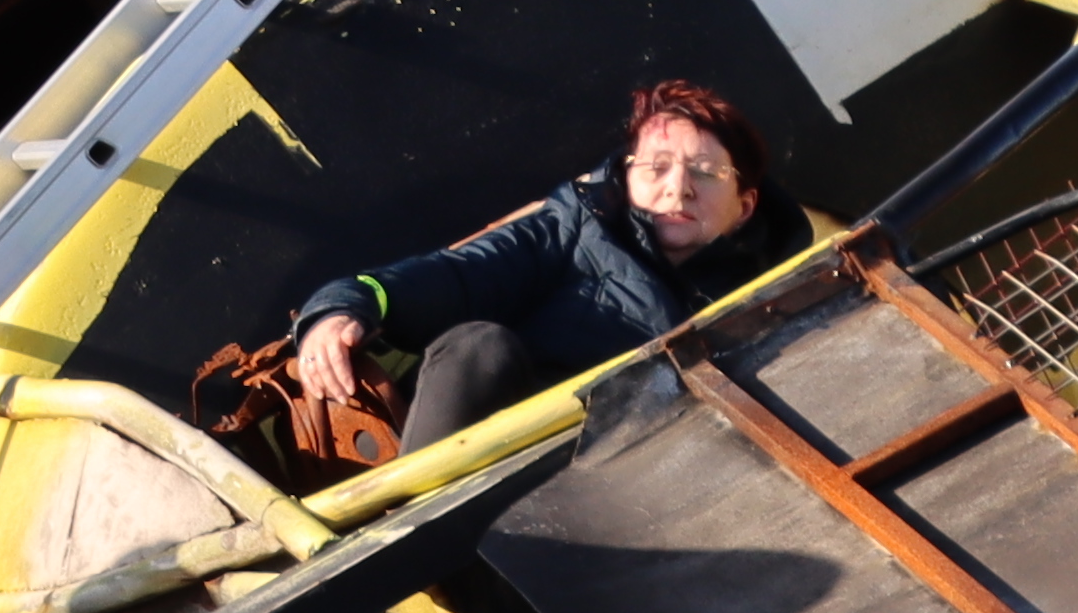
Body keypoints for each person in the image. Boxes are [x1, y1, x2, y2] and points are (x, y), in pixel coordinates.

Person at [277, 75, 808, 450]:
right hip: (509, 461)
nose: (679, 188)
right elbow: (455, 276)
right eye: (658, 167)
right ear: (626, 177)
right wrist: (348, 304)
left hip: (648, 480)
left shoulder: (791, 295)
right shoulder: (572, 227)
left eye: (707, 172)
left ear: (745, 205)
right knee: (479, 345)